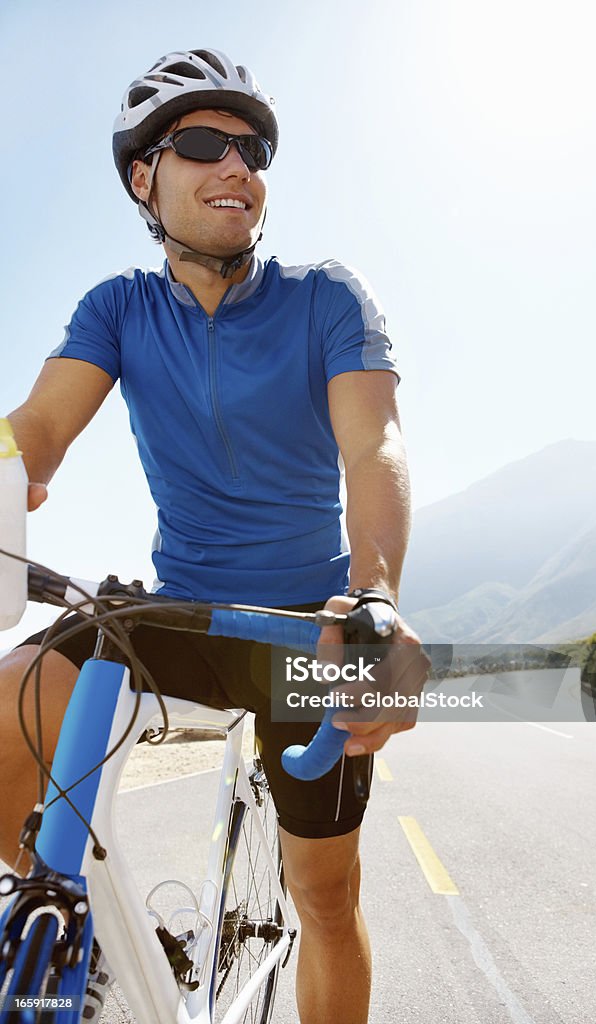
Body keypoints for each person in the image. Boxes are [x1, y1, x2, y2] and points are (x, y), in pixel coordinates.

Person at [0, 48, 428, 1024]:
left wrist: (373, 598)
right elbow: (37, 433)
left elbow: (375, 449)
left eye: (252, 148)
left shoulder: (325, 296)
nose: (238, 165)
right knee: (2, 715)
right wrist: (5, 463)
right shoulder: (119, 308)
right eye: (204, 144)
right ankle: (98, 943)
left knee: (324, 897)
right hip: (177, 615)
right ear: (143, 177)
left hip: (304, 627)